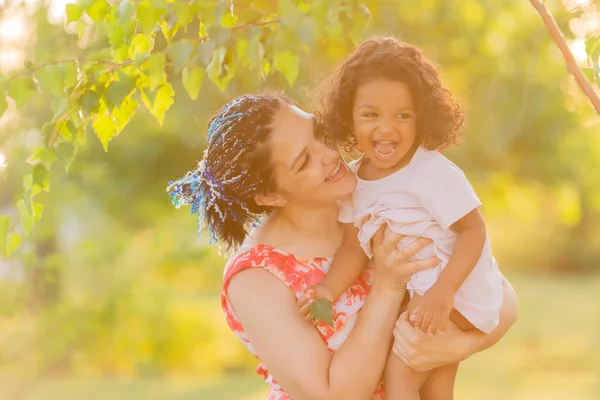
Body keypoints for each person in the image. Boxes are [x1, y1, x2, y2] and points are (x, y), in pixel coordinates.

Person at [167, 92, 518, 399]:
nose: (329, 154)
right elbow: (334, 396)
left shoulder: (372, 201)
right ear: (270, 195)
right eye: (304, 160)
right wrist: (387, 285)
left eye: (319, 134)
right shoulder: (258, 277)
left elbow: (496, 292)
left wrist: (460, 346)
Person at [299, 37, 504, 399]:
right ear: (349, 116)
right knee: (437, 384)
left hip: (455, 292)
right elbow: (352, 246)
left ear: (421, 117)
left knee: (400, 375)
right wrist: (329, 290)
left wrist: (444, 293)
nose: (386, 128)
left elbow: (473, 231)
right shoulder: (355, 179)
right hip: (426, 297)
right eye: (370, 114)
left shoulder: (430, 171)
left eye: (402, 115)